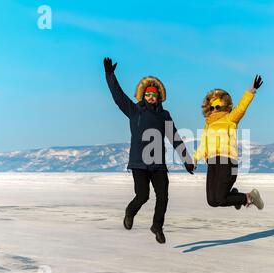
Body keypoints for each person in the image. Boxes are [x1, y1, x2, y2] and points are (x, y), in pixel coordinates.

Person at [104, 57, 194, 244]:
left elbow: (175, 137)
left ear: (159, 97)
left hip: (158, 165)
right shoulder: (134, 110)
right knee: (143, 195)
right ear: (143, 96)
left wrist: (186, 159)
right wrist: (110, 75)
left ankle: (157, 226)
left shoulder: (164, 115)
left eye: (154, 95)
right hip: (139, 163)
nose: (151, 98)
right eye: (148, 95)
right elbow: (118, 96)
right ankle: (130, 211)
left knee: (163, 196)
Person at [193, 75, 264, 210]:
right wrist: (195, 159)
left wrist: (251, 91)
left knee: (219, 197)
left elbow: (241, 108)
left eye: (217, 106)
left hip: (228, 161)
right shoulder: (208, 125)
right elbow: (203, 145)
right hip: (212, 163)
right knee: (212, 201)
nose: (214, 109)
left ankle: (250, 197)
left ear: (224, 106)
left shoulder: (230, 119)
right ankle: (235, 197)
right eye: (212, 107)